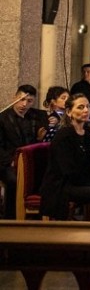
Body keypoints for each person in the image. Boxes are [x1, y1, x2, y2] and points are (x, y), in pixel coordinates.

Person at [39, 94, 90, 221]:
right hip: (62, 185)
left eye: (88, 107)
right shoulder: (64, 136)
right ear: (69, 112)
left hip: (82, 179)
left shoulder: (87, 132)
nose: (86, 110)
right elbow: (68, 171)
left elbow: (89, 160)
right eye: (80, 107)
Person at [0, 85, 48, 219]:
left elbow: (53, 114)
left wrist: (40, 138)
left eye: (29, 101)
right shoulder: (3, 118)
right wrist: (11, 161)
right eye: (21, 99)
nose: (24, 104)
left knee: (47, 178)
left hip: (31, 161)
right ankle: (11, 217)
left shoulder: (37, 116)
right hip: (8, 162)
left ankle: (39, 216)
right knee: (14, 181)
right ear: (14, 98)